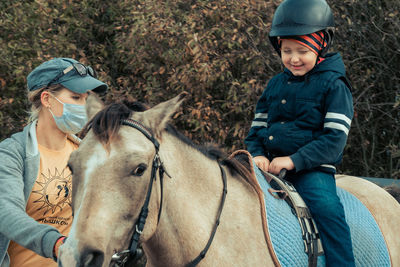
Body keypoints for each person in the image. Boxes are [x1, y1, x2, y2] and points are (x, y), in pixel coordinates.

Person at [245, 0, 355, 266]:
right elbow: (257, 129)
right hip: (267, 166)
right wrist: (257, 153)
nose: (293, 58)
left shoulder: (334, 85)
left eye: (302, 50)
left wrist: (294, 160)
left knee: (328, 212)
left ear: (321, 46)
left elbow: (334, 141)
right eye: (287, 51)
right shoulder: (275, 84)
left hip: (311, 169)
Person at [0, 58, 108, 267]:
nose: (84, 107)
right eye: (76, 97)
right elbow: (6, 213)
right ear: (47, 99)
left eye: (86, 99)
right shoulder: (11, 154)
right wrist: (57, 245)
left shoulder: (89, 156)